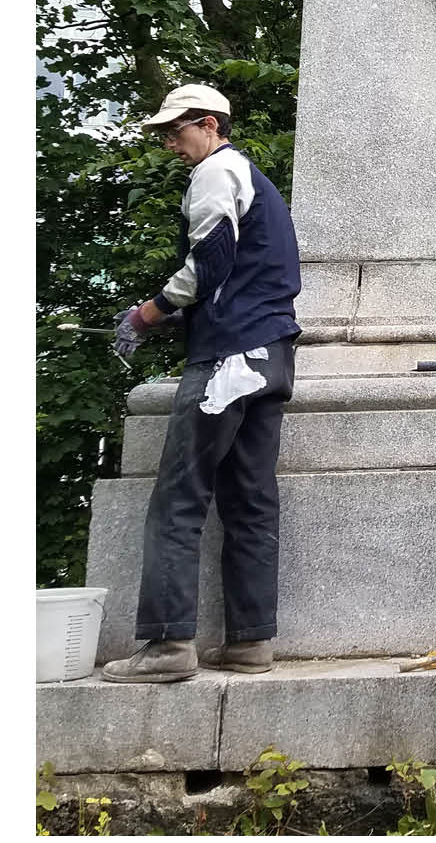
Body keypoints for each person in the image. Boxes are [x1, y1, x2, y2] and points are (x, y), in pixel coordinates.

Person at [100, 84, 303, 683]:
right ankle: (250, 642)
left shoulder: (217, 173)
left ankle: (167, 646)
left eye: (176, 130)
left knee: (178, 501)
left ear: (210, 124)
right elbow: (243, 276)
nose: (169, 142)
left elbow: (209, 264)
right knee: (250, 501)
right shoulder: (257, 182)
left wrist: (150, 313)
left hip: (226, 362)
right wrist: (187, 316)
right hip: (270, 357)